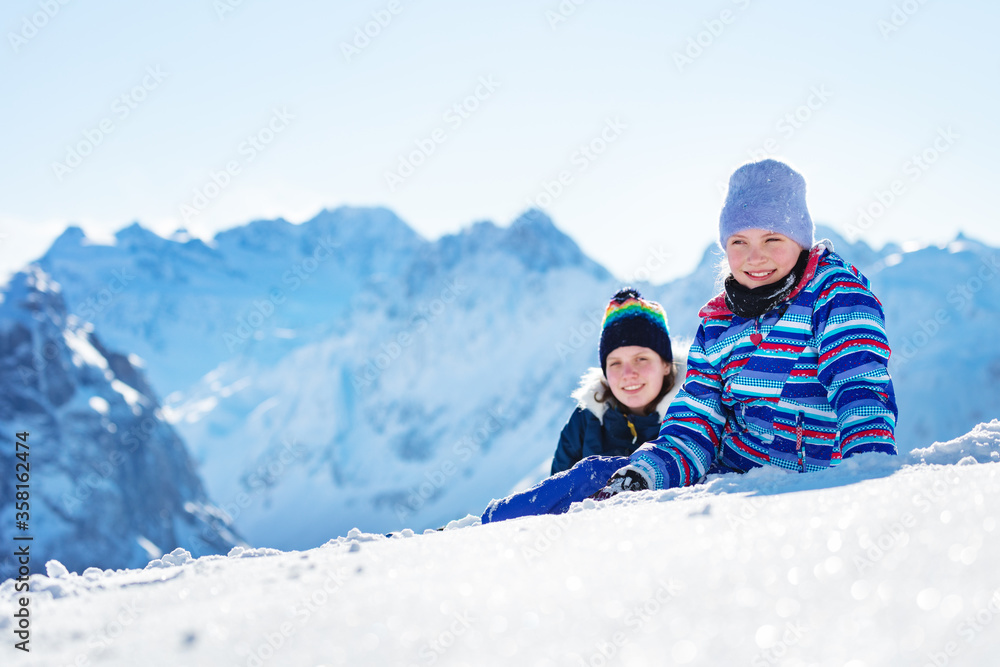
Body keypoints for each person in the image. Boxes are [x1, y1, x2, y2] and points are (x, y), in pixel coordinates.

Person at [482, 159, 897, 523]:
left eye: (772, 239)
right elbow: (694, 426)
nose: (755, 257)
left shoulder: (835, 296)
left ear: (800, 241)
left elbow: (859, 388)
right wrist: (644, 477)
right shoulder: (718, 323)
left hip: (816, 489)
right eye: (739, 242)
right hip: (730, 491)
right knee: (591, 477)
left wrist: (868, 481)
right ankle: (491, 530)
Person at [550, 288, 686, 475]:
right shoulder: (586, 421)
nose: (628, 373)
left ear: (666, 365)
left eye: (641, 359)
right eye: (615, 363)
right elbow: (557, 496)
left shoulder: (691, 416)